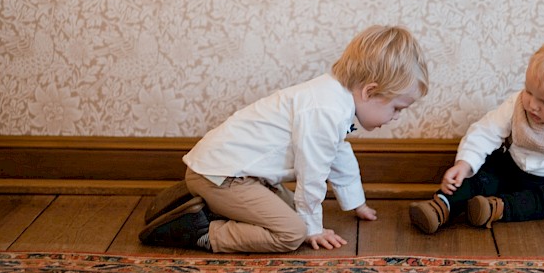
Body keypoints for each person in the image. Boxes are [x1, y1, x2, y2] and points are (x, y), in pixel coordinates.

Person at [140, 25, 429, 253]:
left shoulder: (334, 100)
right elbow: (313, 175)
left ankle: (205, 204)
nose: (395, 117)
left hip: (236, 175)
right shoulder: (325, 110)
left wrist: (356, 203)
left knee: (294, 212)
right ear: (369, 91)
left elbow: (339, 154)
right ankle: (200, 231)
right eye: (396, 108)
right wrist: (312, 228)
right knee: (292, 233)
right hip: (222, 176)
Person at [409, 32, 544, 234]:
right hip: (508, 168)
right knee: (481, 176)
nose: (532, 105)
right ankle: (442, 206)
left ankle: (495, 209)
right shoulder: (517, 105)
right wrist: (464, 163)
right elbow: (486, 132)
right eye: (529, 92)